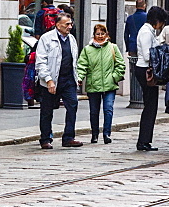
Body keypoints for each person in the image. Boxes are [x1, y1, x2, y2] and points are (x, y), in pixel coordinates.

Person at [35, 12, 83, 149]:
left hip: (68, 80)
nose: (70, 26)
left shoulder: (72, 39)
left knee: (72, 106)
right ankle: (45, 138)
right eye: (67, 24)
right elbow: (41, 62)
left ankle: (68, 137)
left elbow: (74, 60)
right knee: (47, 110)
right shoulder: (47, 38)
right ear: (57, 25)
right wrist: (49, 80)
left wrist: (77, 77)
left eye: (71, 24)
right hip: (51, 80)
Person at [76, 24, 126, 144]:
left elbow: (121, 64)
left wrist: (114, 77)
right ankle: (94, 134)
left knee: (108, 109)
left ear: (107, 35)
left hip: (109, 85)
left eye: (102, 34)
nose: (100, 36)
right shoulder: (87, 50)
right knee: (94, 111)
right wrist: (79, 78)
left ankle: (106, 134)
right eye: (98, 34)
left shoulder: (113, 48)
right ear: (94, 35)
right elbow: (82, 65)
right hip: (93, 85)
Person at [134, 5, 168, 151]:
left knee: (151, 106)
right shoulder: (146, 33)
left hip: (146, 69)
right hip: (145, 70)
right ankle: (143, 141)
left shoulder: (149, 31)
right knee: (150, 106)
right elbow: (148, 56)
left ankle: (146, 140)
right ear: (157, 21)